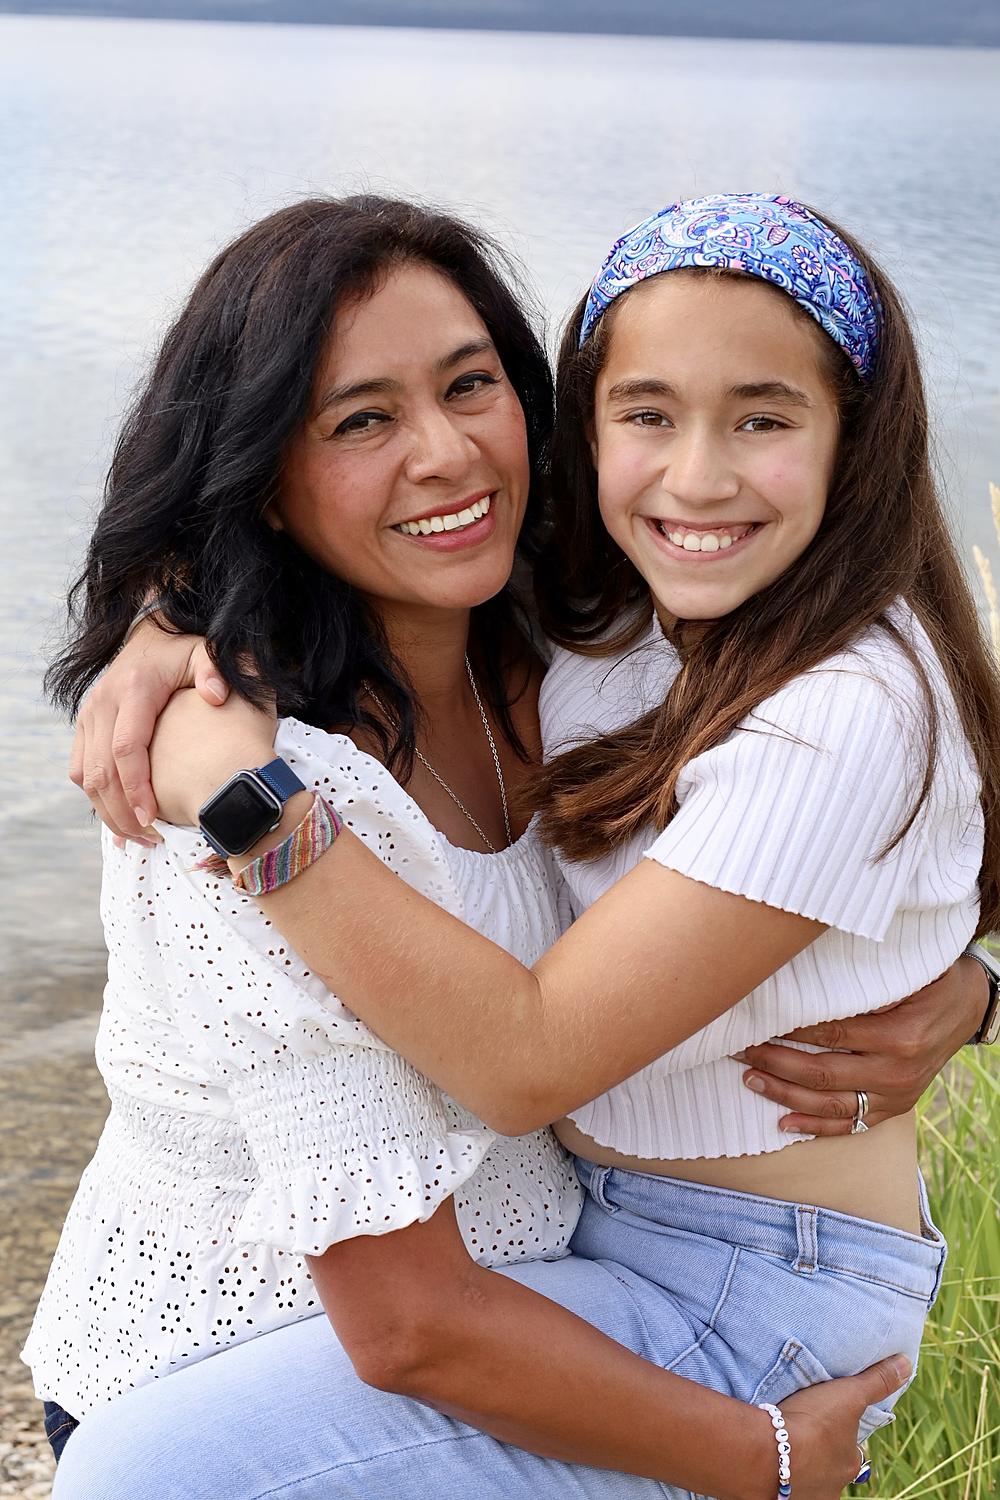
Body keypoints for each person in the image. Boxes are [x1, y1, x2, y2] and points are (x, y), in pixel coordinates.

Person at [77, 194, 1000, 1498]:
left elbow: (529, 1061)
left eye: (472, 386)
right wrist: (173, 631)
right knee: (142, 1465)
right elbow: (410, 1322)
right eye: (361, 418)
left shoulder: (772, 686)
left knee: (145, 1478)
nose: (447, 455)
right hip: (378, 1305)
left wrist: (972, 992)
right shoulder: (589, 628)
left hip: (733, 1281)